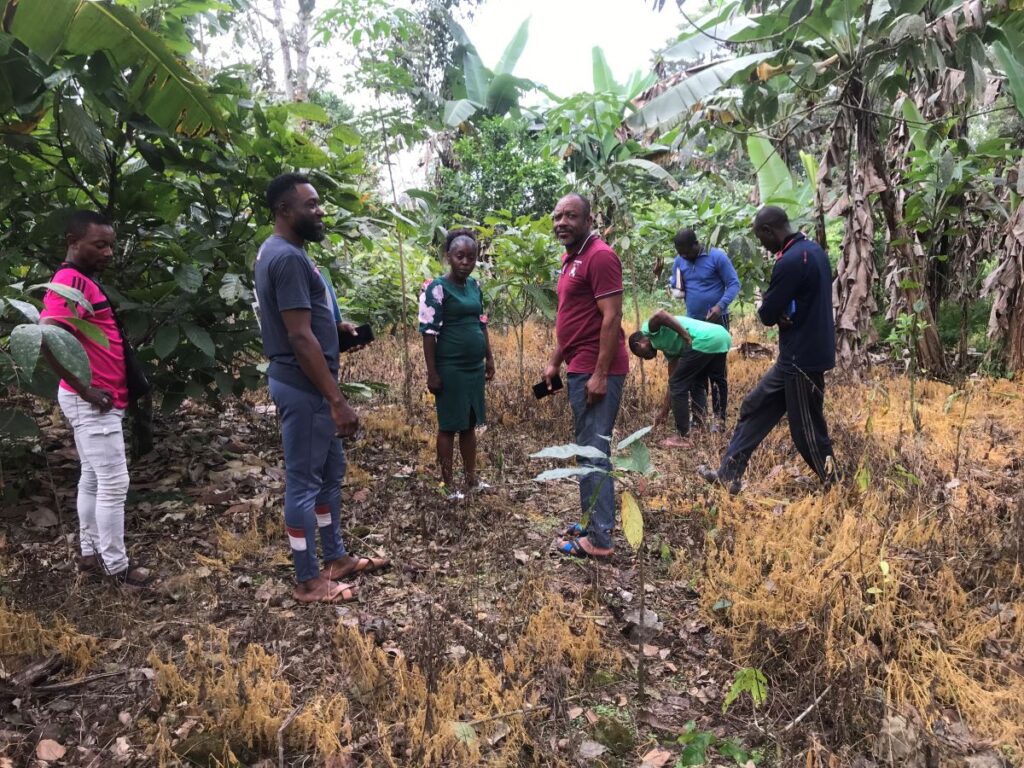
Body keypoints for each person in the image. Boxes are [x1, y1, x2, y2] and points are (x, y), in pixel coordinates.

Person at [254, 173, 387, 604]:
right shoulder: (287, 258)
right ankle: (308, 580)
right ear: (284, 212)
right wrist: (336, 400)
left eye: (318, 203)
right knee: (304, 483)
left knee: (331, 474)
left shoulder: (289, 252)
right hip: (305, 387)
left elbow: (306, 320)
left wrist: (337, 326)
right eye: (310, 205)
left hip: (307, 383)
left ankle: (335, 558)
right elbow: (298, 336)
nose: (319, 211)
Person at [39, 210, 151, 586]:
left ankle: (90, 554)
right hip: (91, 400)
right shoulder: (68, 282)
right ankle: (116, 566)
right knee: (114, 482)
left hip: (98, 397)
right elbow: (48, 337)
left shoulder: (82, 281)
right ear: (74, 242)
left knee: (93, 477)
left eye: (111, 245)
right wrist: (85, 388)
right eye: (99, 245)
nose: (108, 253)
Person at [699, 206, 837, 494]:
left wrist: (776, 310)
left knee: (807, 431)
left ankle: (836, 486)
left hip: (802, 357)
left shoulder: (789, 261)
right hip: (798, 355)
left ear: (768, 231)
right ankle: (728, 475)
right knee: (754, 407)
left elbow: (766, 313)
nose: (762, 245)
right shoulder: (814, 251)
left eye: (761, 239)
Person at [544, 193, 629, 559]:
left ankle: (600, 541)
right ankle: (593, 521)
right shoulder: (571, 259)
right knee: (586, 449)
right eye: (558, 216)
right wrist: (554, 361)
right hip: (577, 364)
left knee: (594, 453)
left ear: (589, 220)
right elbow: (573, 316)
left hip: (596, 370)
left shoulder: (600, 256)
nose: (562, 222)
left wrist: (600, 374)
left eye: (571, 216)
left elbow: (611, 318)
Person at [418, 229, 495, 499]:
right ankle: (448, 485)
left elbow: (481, 323)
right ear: (448, 256)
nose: (466, 262)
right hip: (450, 369)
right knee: (449, 425)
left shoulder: (474, 286)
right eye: (460, 256)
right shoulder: (436, 288)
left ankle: (471, 479)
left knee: (470, 424)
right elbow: (428, 332)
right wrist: (432, 373)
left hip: (474, 368)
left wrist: (489, 358)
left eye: (471, 257)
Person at [667, 228, 740, 427]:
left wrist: (720, 306)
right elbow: (677, 286)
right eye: (680, 253)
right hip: (693, 324)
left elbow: (734, 284)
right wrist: (673, 285)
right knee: (695, 373)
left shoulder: (717, 256)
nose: (684, 257)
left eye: (687, 252)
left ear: (695, 245)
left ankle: (719, 419)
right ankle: (699, 418)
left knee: (716, 372)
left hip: (716, 322)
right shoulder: (680, 260)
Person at [628, 311, 732, 448]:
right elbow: (672, 383)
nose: (645, 358)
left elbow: (660, 315)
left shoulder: (649, 331)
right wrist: (664, 412)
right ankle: (710, 424)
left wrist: (685, 336)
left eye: (640, 355)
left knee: (679, 384)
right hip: (721, 336)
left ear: (638, 344)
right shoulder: (670, 350)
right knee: (702, 381)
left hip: (702, 340)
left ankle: (683, 437)